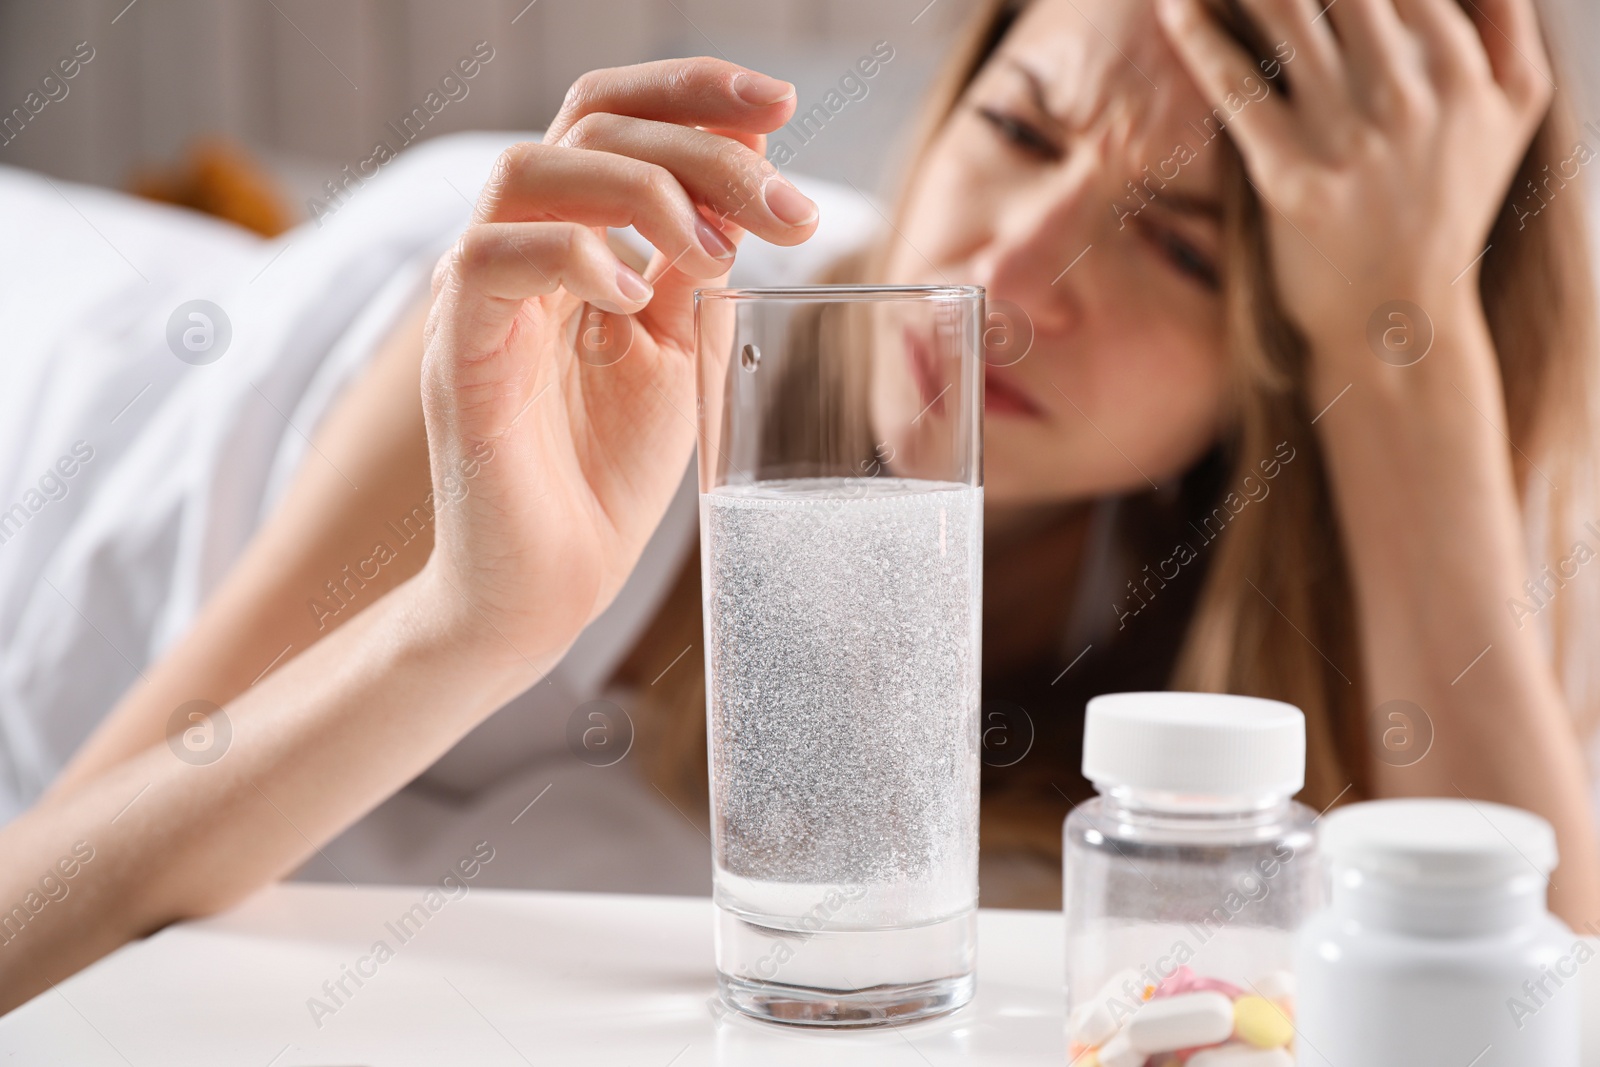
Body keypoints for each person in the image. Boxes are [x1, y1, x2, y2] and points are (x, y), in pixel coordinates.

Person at [2, 0, 1598, 1013]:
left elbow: (1553, 978)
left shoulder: (1194, 571)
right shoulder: (591, 325)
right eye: (1020, 128)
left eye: (1178, 244)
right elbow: (39, 917)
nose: (1016, 275)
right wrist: (471, 622)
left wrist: (1409, 339)